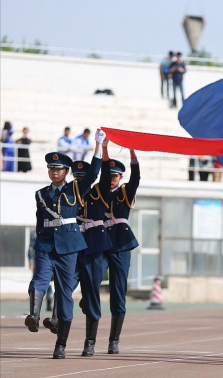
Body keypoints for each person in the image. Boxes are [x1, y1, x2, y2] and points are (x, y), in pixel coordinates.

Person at [25, 129, 105, 359]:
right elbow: (40, 221)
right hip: (45, 243)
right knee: (39, 278)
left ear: (66, 172)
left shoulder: (76, 188)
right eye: (51, 168)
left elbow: (95, 173)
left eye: (58, 169)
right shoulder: (41, 194)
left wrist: (98, 147)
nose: (54, 172)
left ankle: (61, 344)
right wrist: (37, 246)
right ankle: (34, 316)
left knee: (64, 291)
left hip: (69, 245)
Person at [72, 143, 112, 357]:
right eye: (76, 176)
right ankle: (58, 325)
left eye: (82, 176)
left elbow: (105, 173)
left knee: (92, 295)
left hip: (95, 244)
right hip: (73, 243)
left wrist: (104, 148)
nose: (79, 179)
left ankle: (90, 342)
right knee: (63, 285)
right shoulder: (71, 192)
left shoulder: (100, 190)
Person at [103, 144, 141, 354]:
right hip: (99, 242)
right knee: (89, 277)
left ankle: (113, 340)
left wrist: (133, 154)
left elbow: (136, 178)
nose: (112, 179)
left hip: (120, 244)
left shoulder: (125, 191)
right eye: (109, 175)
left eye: (115, 176)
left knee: (118, 291)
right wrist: (104, 148)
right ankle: (88, 301)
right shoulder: (98, 191)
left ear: (120, 177)